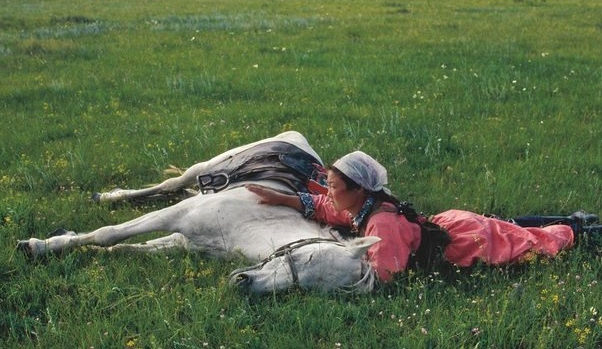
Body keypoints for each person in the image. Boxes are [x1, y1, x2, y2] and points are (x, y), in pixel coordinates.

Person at [246, 151, 601, 282]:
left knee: (526, 242)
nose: (329, 191)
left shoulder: (381, 225)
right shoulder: (362, 207)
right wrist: (282, 198)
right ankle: (575, 222)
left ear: (359, 191)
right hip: (449, 223)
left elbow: (386, 275)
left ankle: (582, 230)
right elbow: (329, 209)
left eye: (334, 185)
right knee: (507, 225)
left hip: (462, 243)